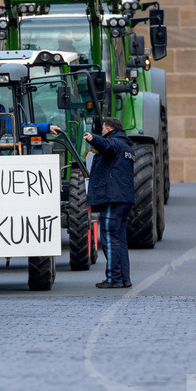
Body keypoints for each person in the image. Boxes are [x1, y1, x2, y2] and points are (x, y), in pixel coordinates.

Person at [84, 117, 135, 289]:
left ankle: (114, 278)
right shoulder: (127, 147)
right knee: (120, 240)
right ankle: (124, 278)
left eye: (103, 129)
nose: (101, 132)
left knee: (109, 239)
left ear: (108, 129)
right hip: (124, 198)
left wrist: (93, 138)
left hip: (112, 199)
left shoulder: (115, 143)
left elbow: (106, 146)